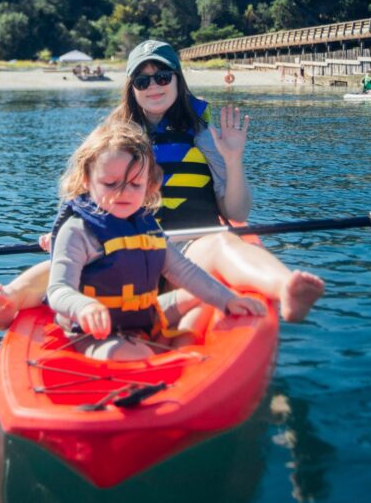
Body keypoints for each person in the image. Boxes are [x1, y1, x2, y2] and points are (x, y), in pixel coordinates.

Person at [0, 39, 324, 330]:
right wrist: (62, 235)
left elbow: (236, 213)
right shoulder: (111, 140)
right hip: (122, 249)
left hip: (189, 251)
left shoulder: (205, 138)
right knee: (61, 266)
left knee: (223, 245)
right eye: (142, 82)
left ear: (177, 80)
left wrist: (233, 160)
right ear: (132, 89)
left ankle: (286, 288)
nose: (154, 86)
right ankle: (8, 299)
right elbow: (83, 199)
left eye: (162, 76)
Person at [47, 118, 265, 361]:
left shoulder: (147, 225)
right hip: (94, 333)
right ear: (87, 180)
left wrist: (228, 300)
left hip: (144, 317)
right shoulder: (78, 231)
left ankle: (182, 346)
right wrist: (82, 307)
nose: (123, 193)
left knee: (205, 295)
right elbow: (58, 290)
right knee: (132, 353)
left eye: (135, 184)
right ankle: (166, 354)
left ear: (149, 185)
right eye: (110, 183)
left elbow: (184, 272)